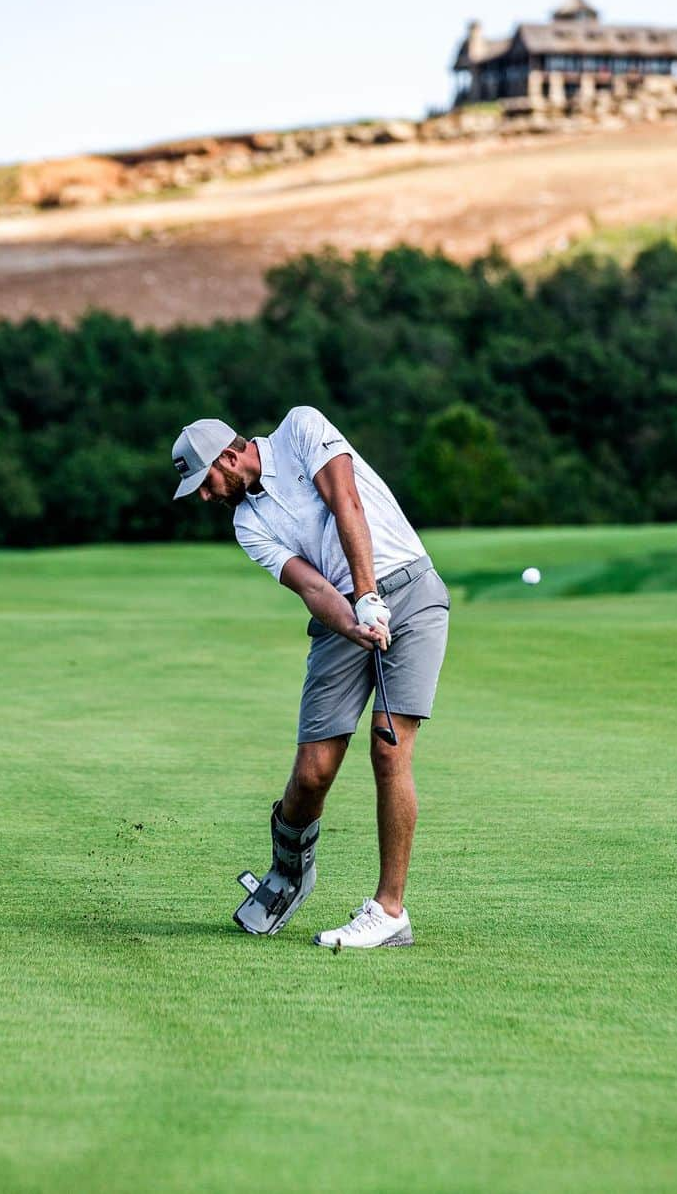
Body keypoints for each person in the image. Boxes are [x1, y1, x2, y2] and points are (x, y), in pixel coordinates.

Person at [171, 406, 450, 949]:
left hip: (411, 595)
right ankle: (289, 869)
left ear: (229, 457)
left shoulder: (301, 428)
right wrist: (355, 622)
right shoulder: (247, 523)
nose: (204, 497)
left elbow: (345, 501)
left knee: (390, 749)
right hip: (344, 620)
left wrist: (368, 593)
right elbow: (314, 589)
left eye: (204, 483)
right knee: (312, 775)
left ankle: (390, 911)